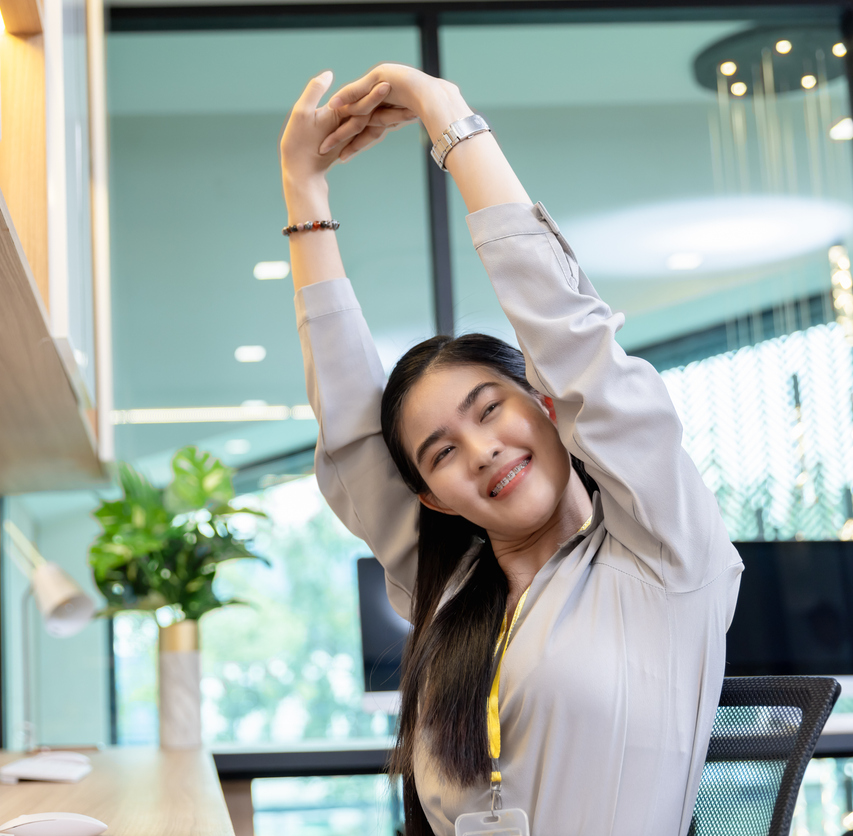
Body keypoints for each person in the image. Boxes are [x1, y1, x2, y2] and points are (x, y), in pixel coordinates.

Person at [279, 64, 743, 836]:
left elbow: (573, 338)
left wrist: (448, 117)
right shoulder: (452, 592)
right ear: (429, 495)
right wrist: (305, 192)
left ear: (547, 403)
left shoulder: (663, 552)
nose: (483, 451)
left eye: (490, 409)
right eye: (441, 452)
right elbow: (357, 440)